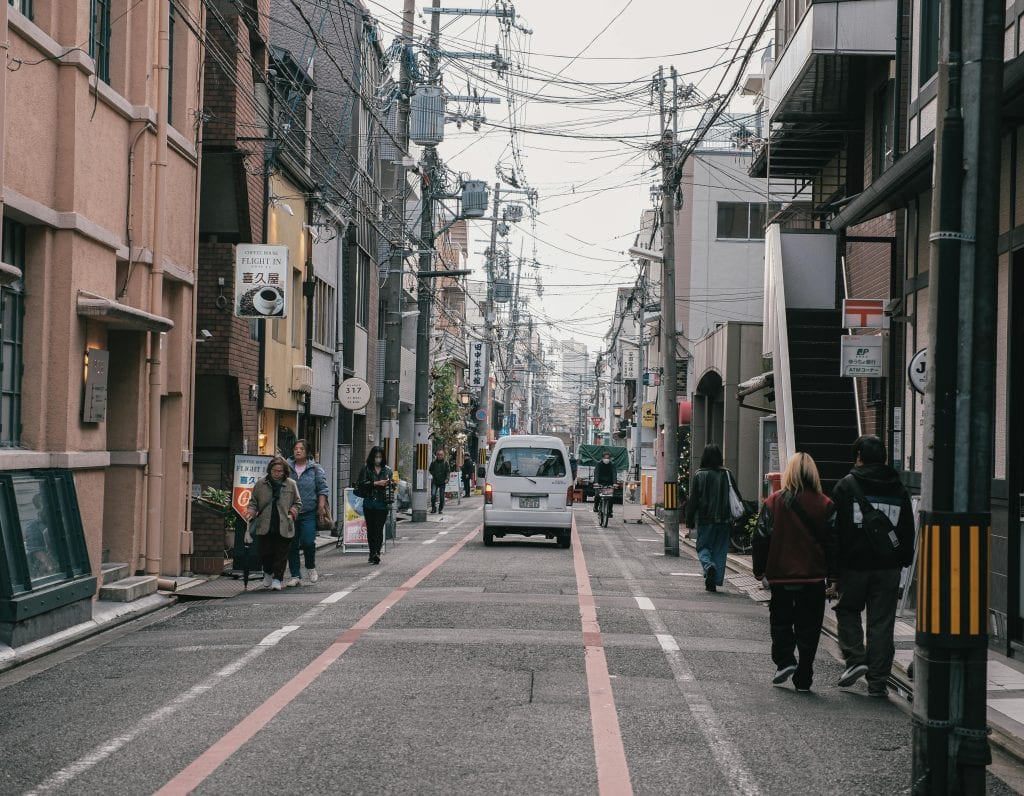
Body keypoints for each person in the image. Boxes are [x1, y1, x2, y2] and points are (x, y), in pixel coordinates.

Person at [830, 434, 915, 697]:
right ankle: (877, 683)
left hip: (853, 567)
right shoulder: (899, 489)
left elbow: (835, 532)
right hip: (887, 569)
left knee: (846, 609)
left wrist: (832, 572)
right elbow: (906, 530)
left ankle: (856, 660)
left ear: (859, 457)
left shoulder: (846, 487)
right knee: (881, 623)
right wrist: (902, 562)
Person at [752, 452, 838, 692]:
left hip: (781, 576)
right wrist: (833, 578)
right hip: (812, 577)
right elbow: (833, 543)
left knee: (780, 621)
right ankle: (804, 675)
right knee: (809, 627)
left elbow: (760, 537)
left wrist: (759, 571)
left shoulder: (774, 502)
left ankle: (785, 661)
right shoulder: (826, 505)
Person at [684, 443, 738, 592]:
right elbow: (736, 495)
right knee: (720, 551)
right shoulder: (727, 474)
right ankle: (713, 582)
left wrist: (689, 519)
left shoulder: (699, 474)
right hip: (725, 520)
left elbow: (694, 500)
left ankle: (708, 566)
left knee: (703, 547)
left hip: (705, 519)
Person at [245, 456, 301, 590]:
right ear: (270, 470)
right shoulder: (260, 484)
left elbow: (297, 503)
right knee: (265, 552)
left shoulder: (290, 484)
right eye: (275, 470)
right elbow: (253, 503)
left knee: (281, 554)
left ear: (285, 472)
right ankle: (268, 573)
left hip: (284, 523)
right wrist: (251, 512)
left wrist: (291, 514)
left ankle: (278, 579)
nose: (277, 473)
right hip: (265, 524)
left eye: (280, 471)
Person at [286, 439, 329, 586]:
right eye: (296, 448)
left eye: (301, 449)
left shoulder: (315, 468)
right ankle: (295, 575)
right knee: (291, 544)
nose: (298, 451)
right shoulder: (287, 467)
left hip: (308, 511)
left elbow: (322, 489)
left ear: (307, 452)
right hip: (290, 512)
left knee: (308, 542)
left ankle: (310, 566)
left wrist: (321, 506)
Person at [356, 446, 392, 565]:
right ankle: (372, 553)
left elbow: (391, 486)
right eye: (376, 457)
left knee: (378, 528)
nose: (378, 459)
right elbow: (361, 484)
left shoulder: (387, 470)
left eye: (380, 457)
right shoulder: (366, 469)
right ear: (372, 457)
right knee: (371, 529)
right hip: (369, 503)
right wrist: (376, 483)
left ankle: (377, 552)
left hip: (382, 503)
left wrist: (391, 484)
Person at [593, 450, 617, 519]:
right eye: (605, 457)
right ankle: (595, 507)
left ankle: (610, 511)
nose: (606, 459)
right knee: (597, 495)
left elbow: (614, 473)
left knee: (611, 497)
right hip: (600, 482)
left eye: (608, 458)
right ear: (602, 458)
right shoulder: (599, 464)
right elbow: (596, 473)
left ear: (610, 458)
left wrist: (615, 483)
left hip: (609, 482)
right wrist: (596, 482)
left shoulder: (612, 464)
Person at [429, 449, 451, 514]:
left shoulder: (446, 463)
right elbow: (430, 470)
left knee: (441, 497)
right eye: (438, 455)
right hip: (435, 481)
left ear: (443, 455)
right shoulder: (433, 463)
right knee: (433, 495)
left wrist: (447, 478)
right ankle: (433, 508)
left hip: (442, 482)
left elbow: (448, 472)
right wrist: (434, 474)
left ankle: (440, 509)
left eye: (441, 455)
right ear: (436, 455)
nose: (439, 456)